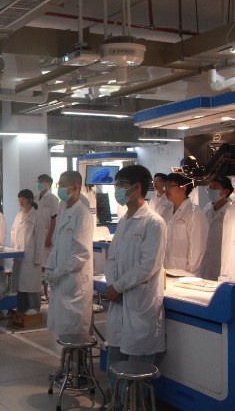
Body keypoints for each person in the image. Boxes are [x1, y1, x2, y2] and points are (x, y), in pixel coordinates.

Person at [103, 165, 166, 404]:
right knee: (114, 361)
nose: (117, 189)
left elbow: (147, 266)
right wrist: (113, 285)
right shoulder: (123, 221)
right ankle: (116, 404)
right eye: (117, 184)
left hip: (140, 303)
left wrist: (118, 287)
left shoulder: (154, 223)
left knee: (137, 366)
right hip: (119, 300)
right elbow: (112, 258)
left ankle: (131, 405)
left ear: (137, 187)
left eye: (122, 184)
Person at [43, 170, 94, 337]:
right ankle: (68, 354)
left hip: (74, 281)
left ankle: (76, 355)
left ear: (75, 186)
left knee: (76, 332)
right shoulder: (63, 209)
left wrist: (58, 272)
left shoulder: (83, 213)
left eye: (63, 185)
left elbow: (80, 252)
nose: (60, 188)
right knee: (62, 331)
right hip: (61, 279)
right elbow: (56, 245)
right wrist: (49, 268)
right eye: (59, 184)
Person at [160, 173, 208, 277]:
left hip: (184, 274)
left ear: (183, 188)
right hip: (165, 270)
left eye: (170, 186)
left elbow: (197, 249)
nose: (166, 189)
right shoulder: (166, 211)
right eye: (166, 186)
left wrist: (190, 274)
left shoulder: (195, 214)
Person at [10, 190, 46, 315]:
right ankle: (22, 308)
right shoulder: (18, 216)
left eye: (23, 199)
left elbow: (40, 239)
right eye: (19, 199)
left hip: (31, 257)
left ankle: (34, 308)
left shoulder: (37, 216)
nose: (20, 201)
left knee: (31, 285)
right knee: (20, 284)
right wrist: (14, 253)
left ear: (30, 200)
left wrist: (37, 258)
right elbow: (13, 235)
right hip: (19, 256)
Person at [200, 177, 232, 280]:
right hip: (206, 259)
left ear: (226, 191)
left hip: (222, 258)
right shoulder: (207, 208)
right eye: (210, 188)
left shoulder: (230, 211)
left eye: (215, 188)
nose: (211, 191)